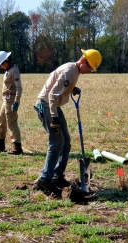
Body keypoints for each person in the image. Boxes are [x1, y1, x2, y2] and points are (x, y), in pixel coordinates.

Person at [33, 49, 102, 195]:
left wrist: (71, 89)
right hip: (47, 106)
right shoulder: (69, 71)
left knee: (66, 141)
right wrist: (54, 117)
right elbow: (52, 94)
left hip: (54, 106)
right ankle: (45, 179)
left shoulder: (74, 71)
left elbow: (61, 88)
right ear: (82, 60)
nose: (90, 71)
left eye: (92, 69)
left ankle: (58, 176)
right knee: (56, 142)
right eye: (89, 67)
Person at [0, 51, 23, 155]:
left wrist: (16, 102)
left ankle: (17, 147)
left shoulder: (14, 70)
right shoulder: (8, 69)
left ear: (5, 62)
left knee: (12, 123)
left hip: (11, 100)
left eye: (1, 64)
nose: (0, 67)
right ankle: (0, 143)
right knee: (1, 120)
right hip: (5, 100)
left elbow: (19, 87)